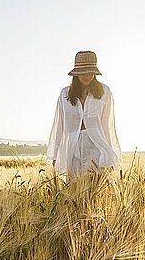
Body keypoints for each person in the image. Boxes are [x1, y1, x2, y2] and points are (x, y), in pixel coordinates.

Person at [46, 50, 122, 182]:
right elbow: (59, 125)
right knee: (74, 191)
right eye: (82, 73)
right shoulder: (65, 94)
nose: (86, 76)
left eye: (90, 72)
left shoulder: (104, 92)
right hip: (72, 149)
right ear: (76, 74)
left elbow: (107, 125)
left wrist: (109, 154)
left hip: (96, 148)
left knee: (93, 190)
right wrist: (54, 155)